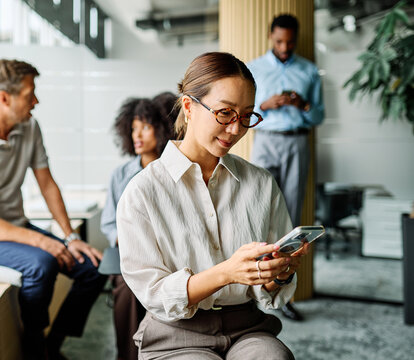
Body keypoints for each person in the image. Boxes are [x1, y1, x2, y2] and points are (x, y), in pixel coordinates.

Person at [117, 52, 310, 360]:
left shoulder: (260, 183)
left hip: (247, 328)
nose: (236, 129)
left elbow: (269, 291)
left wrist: (277, 273)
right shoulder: (143, 192)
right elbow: (153, 293)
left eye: (246, 116)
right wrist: (227, 272)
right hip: (174, 332)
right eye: (224, 113)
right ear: (189, 106)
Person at [0, 59, 107, 360]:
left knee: (92, 267)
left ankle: (52, 345)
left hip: (16, 226)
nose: (36, 101)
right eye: (29, 94)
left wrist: (70, 236)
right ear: (4, 98)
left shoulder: (29, 127)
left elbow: (47, 185)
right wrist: (41, 240)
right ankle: (35, 350)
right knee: (41, 264)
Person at [248, 14, 324, 321]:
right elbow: (245, 111)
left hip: (296, 142)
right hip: (265, 140)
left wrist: (302, 104)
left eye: (290, 41)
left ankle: (283, 292)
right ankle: (253, 288)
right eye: (279, 41)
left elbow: (318, 115)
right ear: (270, 36)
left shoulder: (308, 71)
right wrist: (265, 105)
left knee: (290, 213)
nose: (285, 47)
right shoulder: (254, 68)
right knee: (257, 209)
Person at [100, 94, 177, 360]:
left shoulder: (174, 171)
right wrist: (130, 240)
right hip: (132, 254)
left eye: (145, 127)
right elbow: (109, 223)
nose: (137, 135)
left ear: (161, 129)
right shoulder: (119, 175)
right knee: (126, 285)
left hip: (170, 254)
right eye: (133, 128)